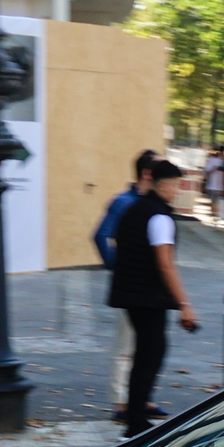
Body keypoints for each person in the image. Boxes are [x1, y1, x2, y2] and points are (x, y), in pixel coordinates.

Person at [107, 158, 198, 434]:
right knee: (151, 353)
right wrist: (184, 304)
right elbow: (164, 263)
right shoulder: (160, 217)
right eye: (176, 186)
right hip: (148, 296)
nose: (178, 191)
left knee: (147, 352)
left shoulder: (135, 209)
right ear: (166, 185)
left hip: (131, 293)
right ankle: (136, 420)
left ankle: (136, 415)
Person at [92, 150, 158, 419]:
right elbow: (100, 235)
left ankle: (141, 399)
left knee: (147, 344)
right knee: (126, 344)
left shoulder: (148, 203)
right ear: (146, 174)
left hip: (148, 283)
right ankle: (122, 402)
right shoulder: (123, 202)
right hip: (131, 282)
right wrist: (117, 265)